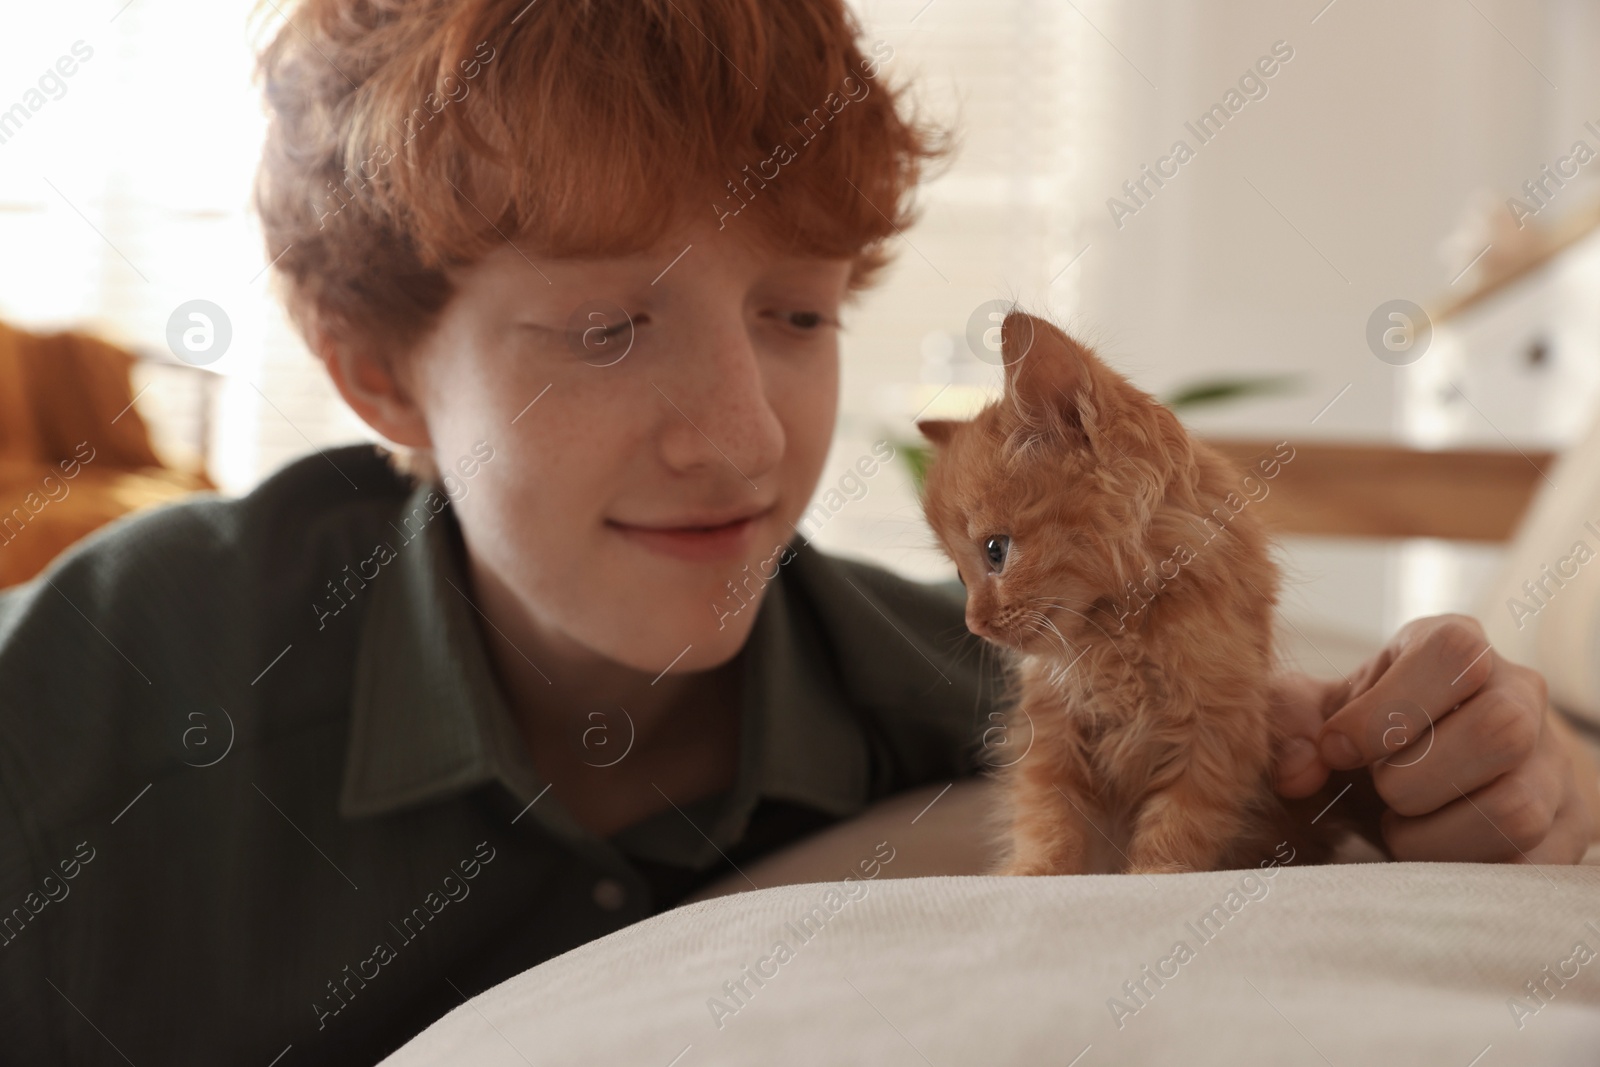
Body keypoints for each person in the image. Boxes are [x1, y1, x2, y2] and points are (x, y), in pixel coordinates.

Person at [0, 0, 1593, 1063]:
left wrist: (1500, 779)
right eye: (609, 328)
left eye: (798, 312)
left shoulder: (948, 711)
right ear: (379, 375)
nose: (750, 440)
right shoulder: (117, 684)